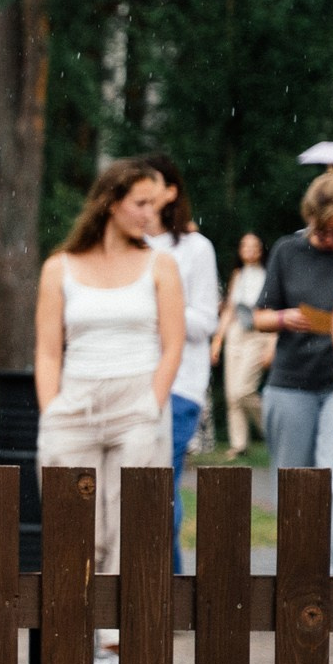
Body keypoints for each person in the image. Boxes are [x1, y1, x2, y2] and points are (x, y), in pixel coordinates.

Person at [33, 160, 183, 664]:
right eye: (141, 203)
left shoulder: (161, 265)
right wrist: (51, 410)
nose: (150, 213)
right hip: (75, 403)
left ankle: (119, 652)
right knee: (76, 530)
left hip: (134, 399)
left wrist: (151, 401)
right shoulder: (61, 267)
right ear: (110, 201)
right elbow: (48, 350)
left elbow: (174, 343)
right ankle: (77, 644)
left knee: (131, 526)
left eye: (155, 204)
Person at [254, 173, 333, 573]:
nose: (330, 239)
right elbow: (259, 316)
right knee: (293, 483)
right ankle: (298, 575)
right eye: (321, 231)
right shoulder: (287, 250)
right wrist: (285, 318)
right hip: (290, 381)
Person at [142, 154, 218, 570]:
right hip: (126, 379)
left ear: (171, 191)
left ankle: (163, 585)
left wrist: (155, 308)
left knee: (158, 487)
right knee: (127, 488)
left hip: (179, 386)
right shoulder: (121, 247)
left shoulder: (195, 249)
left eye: (151, 182)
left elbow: (205, 320)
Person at [215, 231, 269, 455]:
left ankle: (272, 430)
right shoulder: (237, 275)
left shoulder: (269, 274)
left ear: (260, 249)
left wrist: (271, 344)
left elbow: (272, 308)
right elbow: (229, 308)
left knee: (243, 390)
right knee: (231, 395)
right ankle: (240, 444)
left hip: (257, 332)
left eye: (253, 245)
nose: (249, 250)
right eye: (244, 246)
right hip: (236, 332)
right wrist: (218, 339)